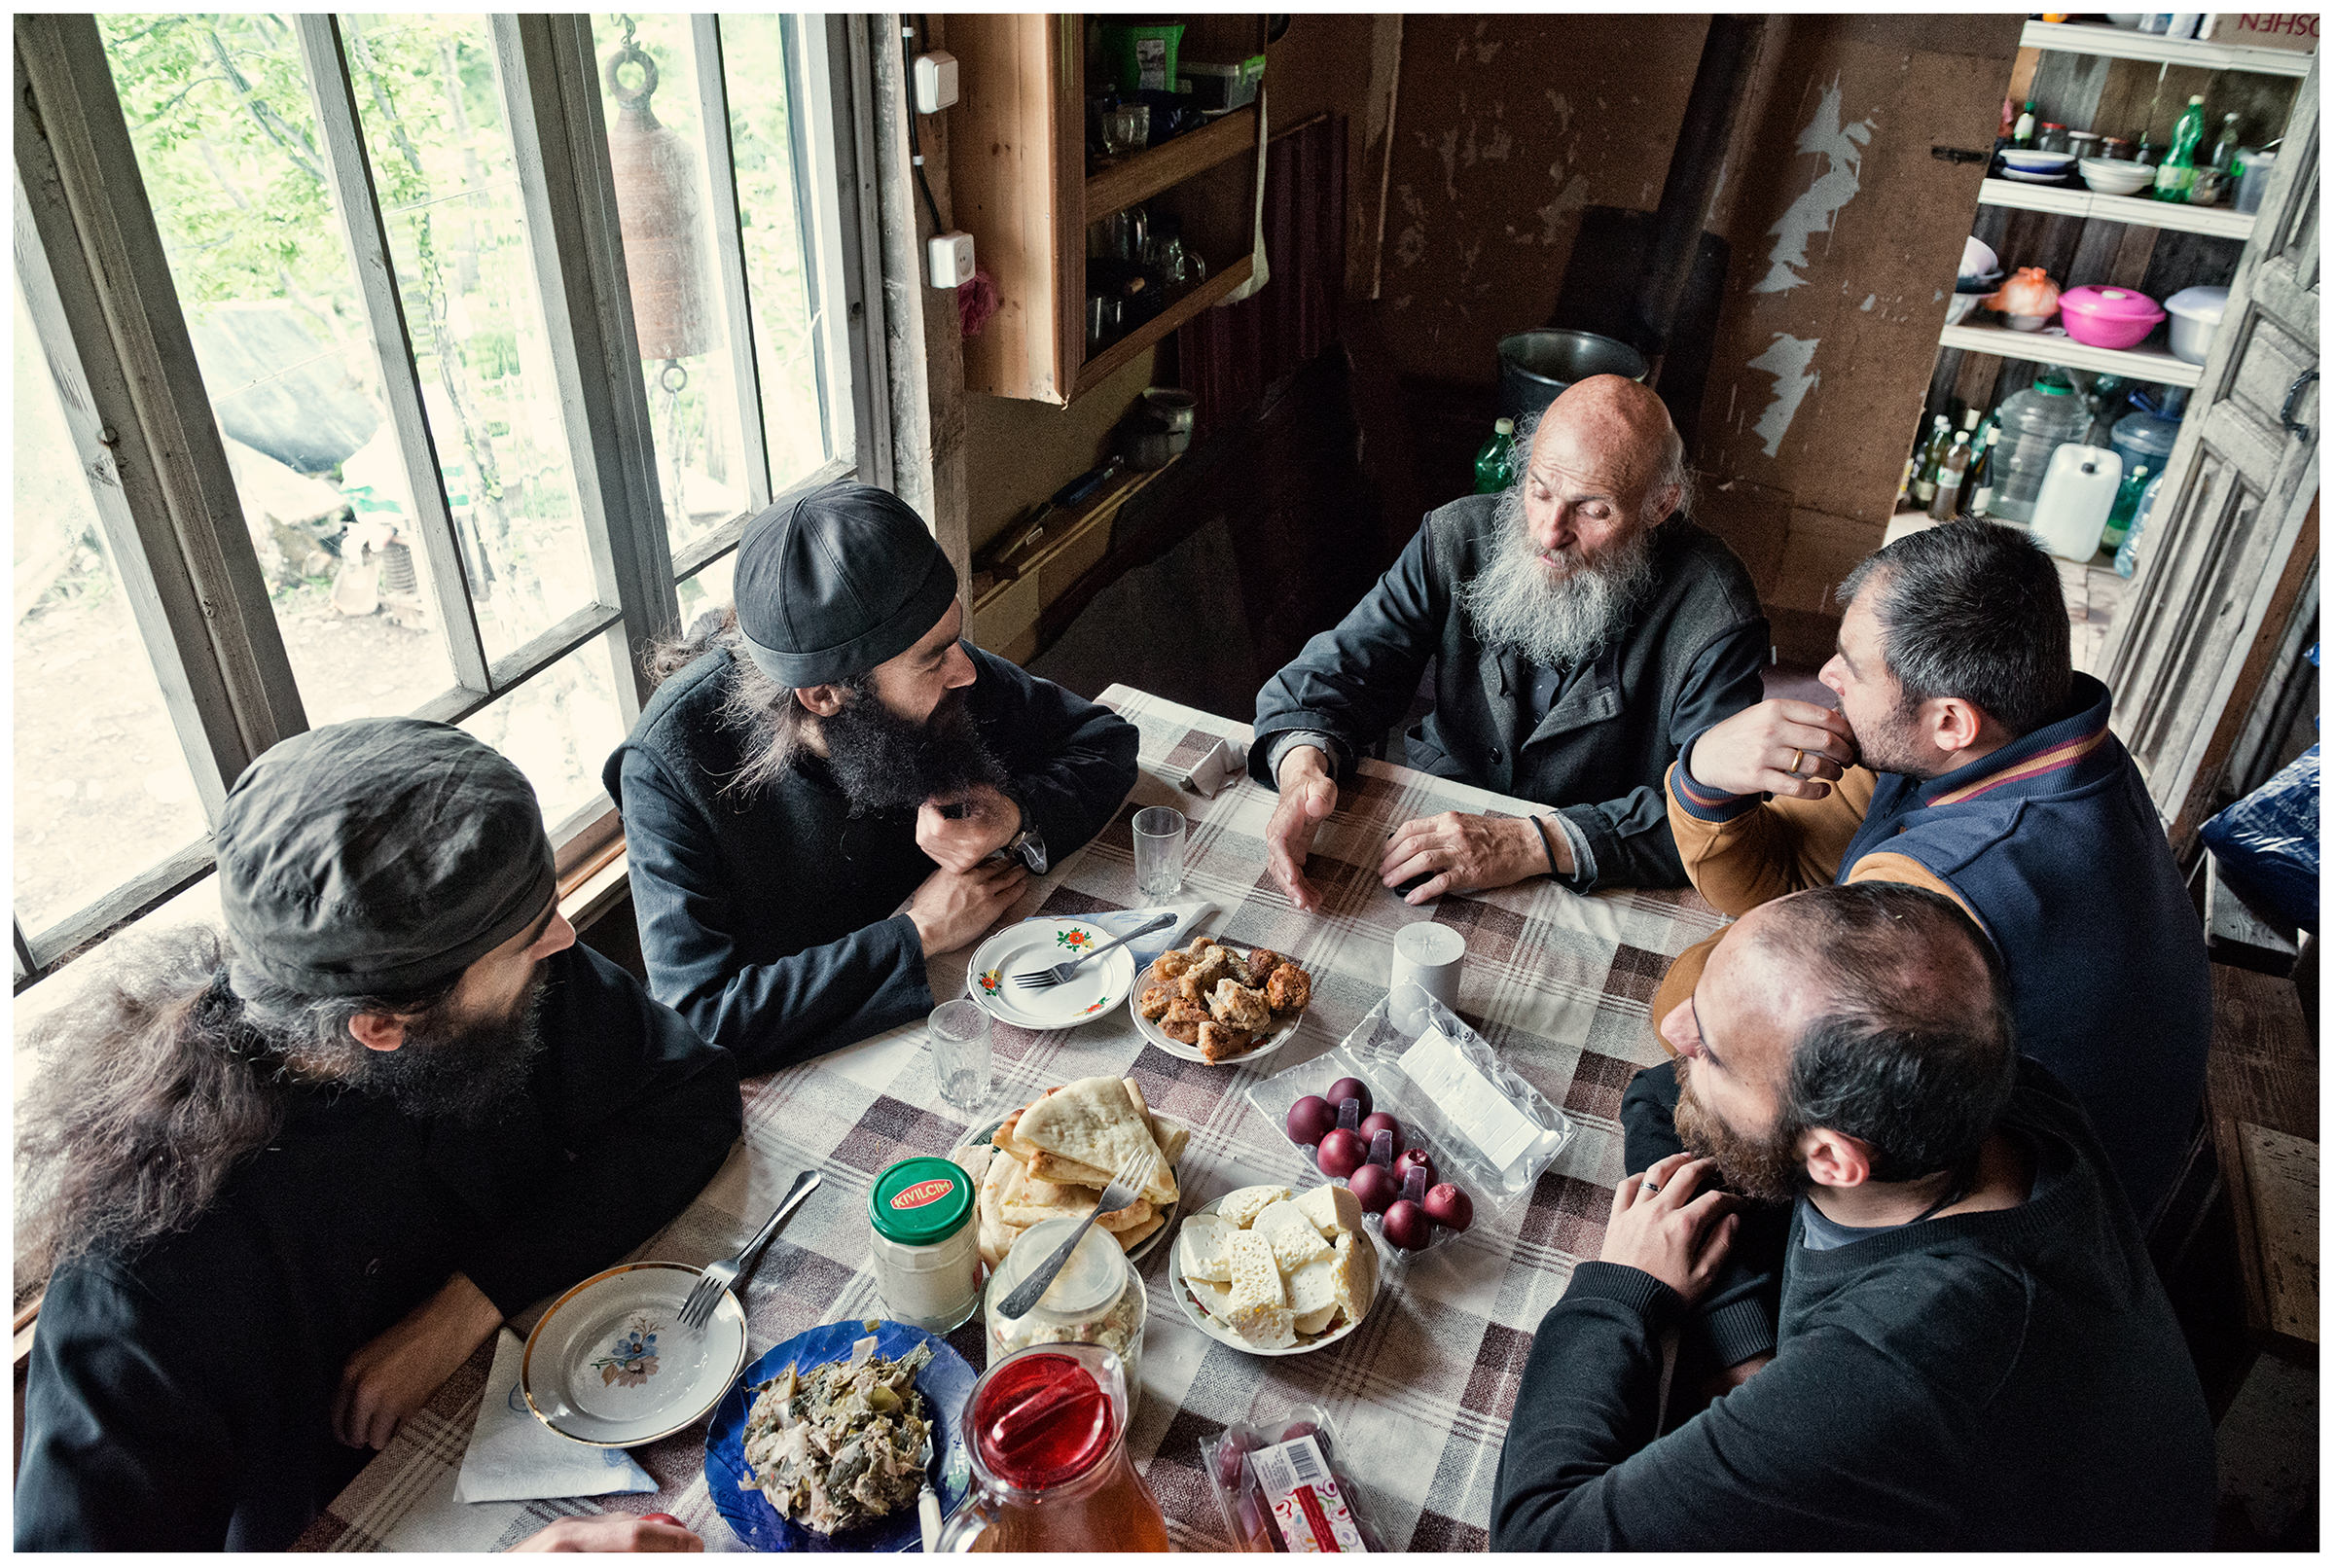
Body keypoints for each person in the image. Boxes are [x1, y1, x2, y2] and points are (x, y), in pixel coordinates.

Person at [15, 720, 743, 1551]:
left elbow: (690, 1095)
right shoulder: (139, 1280)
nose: (564, 938)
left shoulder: (491, 959)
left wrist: (470, 1299)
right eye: (532, 936)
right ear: (383, 1028)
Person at [1491, 883, 2217, 1550]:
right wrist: (1749, 1351)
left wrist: (1620, 1286)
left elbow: (1540, 1540)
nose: (1675, 1026)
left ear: (1835, 1162)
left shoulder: (1909, 1357)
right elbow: (1662, 1097)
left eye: (1709, 1050)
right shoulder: (1987, 1090)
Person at [1653, 518, 2209, 1223]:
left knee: (1677, 1068)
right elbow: (1787, 873)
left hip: (2020, 1228)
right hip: (2081, 1164)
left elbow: (1756, 1035)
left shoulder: (1952, 879)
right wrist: (1708, 777)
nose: (1826, 676)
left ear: (1951, 720)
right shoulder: (2033, 735)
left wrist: (1706, 999)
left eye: (1851, 667)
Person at [606, 483, 1139, 1072]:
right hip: (818, 1068)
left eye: (953, 640)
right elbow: (702, 1019)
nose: (965, 670)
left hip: (977, 1006)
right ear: (827, 694)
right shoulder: (666, 768)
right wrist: (918, 933)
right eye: (935, 659)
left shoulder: (930, 660)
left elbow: (1103, 740)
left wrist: (1014, 813)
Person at [1250, 375, 1767, 907]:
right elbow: (1338, 671)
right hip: (1436, 820)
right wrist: (1301, 771)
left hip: (1594, 869)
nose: (1549, 532)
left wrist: (1530, 841)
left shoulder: (1715, 615)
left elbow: (1720, 811)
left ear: (1660, 506)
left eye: (1593, 510)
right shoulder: (1456, 537)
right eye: (1540, 491)